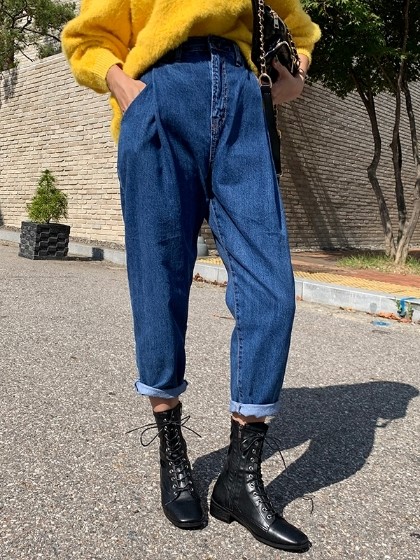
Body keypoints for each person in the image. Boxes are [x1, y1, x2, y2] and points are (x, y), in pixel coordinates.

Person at [62, 0, 320, 552]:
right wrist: (123, 87)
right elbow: (88, 38)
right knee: (159, 283)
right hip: (159, 92)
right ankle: (172, 447)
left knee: (272, 290)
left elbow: (298, 29)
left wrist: (294, 74)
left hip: (242, 98)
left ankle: (239, 479)